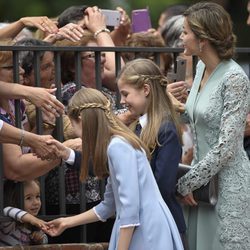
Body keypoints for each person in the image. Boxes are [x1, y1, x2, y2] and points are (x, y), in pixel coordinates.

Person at [43, 87, 184, 250]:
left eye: (72, 124)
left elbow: (130, 210)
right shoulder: (116, 144)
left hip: (146, 231)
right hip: (142, 227)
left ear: (81, 119)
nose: (75, 133)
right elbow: (108, 206)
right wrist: (67, 222)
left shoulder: (117, 147)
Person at [176, 2, 250, 250]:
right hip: (201, 187)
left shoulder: (235, 78)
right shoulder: (200, 67)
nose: (181, 37)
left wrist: (188, 181)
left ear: (203, 39)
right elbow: (195, 117)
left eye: (185, 32)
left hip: (228, 186)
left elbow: (227, 146)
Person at [117, 58, 187, 248]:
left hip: (162, 225)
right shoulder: (136, 127)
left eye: (125, 94)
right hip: (144, 223)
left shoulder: (165, 130)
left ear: (146, 90)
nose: (122, 101)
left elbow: (163, 185)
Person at [0, 179, 48, 246]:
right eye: (28, 198)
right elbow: (6, 210)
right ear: (15, 201)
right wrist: (32, 219)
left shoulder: (34, 224)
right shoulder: (10, 223)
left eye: (37, 196)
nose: (36, 202)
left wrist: (40, 238)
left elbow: (45, 239)